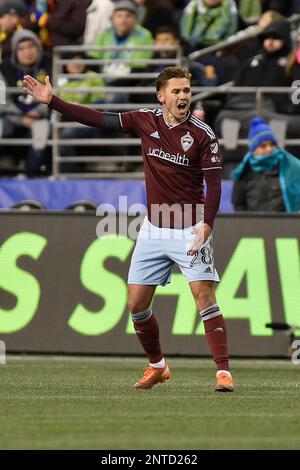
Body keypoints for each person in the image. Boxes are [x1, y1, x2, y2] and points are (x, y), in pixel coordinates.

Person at [23, 66, 234, 392]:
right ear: (160, 96)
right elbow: (98, 118)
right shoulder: (143, 120)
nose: (183, 97)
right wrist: (54, 102)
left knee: (203, 296)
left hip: (190, 225)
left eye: (187, 91)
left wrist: (207, 224)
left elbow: (215, 185)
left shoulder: (203, 134)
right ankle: (157, 366)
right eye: (176, 91)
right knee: (136, 305)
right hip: (153, 228)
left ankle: (223, 372)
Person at [232, 117, 300, 211]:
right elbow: (239, 205)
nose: (269, 149)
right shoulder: (244, 172)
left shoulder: (288, 168)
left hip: (283, 224)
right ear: (253, 150)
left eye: (272, 144)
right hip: (253, 224)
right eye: (263, 146)